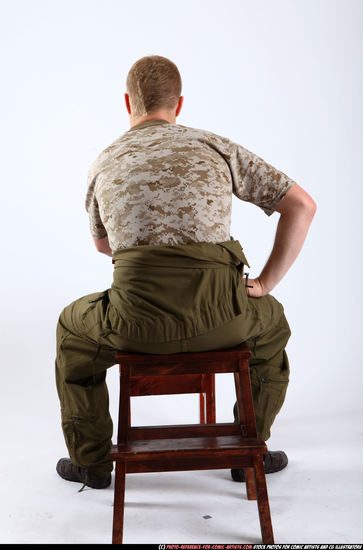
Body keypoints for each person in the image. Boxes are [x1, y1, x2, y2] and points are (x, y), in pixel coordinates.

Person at [55, 55, 316, 490]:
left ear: (127, 103)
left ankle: (92, 465)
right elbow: (302, 205)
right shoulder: (215, 145)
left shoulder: (103, 162)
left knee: (71, 328)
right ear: (178, 104)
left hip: (135, 326)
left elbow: (105, 247)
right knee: (273, 327)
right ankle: (249, 450)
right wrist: (265, 284)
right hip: (225, 321)